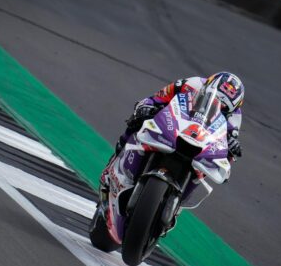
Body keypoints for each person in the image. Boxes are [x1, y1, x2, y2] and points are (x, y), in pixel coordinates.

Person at [100, 72, 244, 195]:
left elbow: (227, 142)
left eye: (224, 109)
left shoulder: (235, 117)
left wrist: (232, 146)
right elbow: (158, 97)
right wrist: (147, 107)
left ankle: (178, 202)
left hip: (201, 139)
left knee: (206, 167)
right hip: (177, 123)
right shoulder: (191, 84)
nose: (218, 107)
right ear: (206, 87)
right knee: (139, 118)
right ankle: (115, 159)